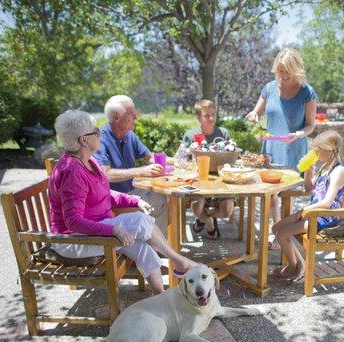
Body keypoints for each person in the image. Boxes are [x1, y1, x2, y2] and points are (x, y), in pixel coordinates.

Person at [48, 110, 196, 294]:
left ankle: (161, 297)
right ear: (83, 140)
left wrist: (134, 200)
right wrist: (114, 230)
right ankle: (179, 261)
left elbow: (103, 194)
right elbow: (73, 222)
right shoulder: (72, 171)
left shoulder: (88, 162)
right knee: (139, 220)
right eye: (95, 132)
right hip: (73, 241)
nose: (99, 134)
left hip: (93, 231)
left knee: (144, 249)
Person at [245, 48, 317, 250]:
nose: (284, 76)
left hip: (293, 149)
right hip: (270, 149)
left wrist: (299, 134)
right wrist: (253, 115)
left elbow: (311, 125)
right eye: (280, 71)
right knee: (270, 194)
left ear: (297, 70)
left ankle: (280, 235)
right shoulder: (269, 88)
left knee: (285, 195)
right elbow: (256, 111)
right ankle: (275, 231)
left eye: (288, 72)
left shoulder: (306, 92)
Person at [271, 130, 344, 283]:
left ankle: (294, 266)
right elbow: (308, 188)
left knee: (283, 233)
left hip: (325, 217)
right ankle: (300, 264)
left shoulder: (338, 171)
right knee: (276, 228)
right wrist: (308, 172)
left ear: (330, 150)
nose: (315, 154)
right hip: (313, 213)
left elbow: (327, 203)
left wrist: (304, 211)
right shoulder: (324, 167)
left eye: (318, 151)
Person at [93, 95, 168, 229]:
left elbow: (149, 157)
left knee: (162, 195)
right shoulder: (99, 140)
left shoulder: (129, 135)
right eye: (132, 115)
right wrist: (141, 170)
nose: (136, 118)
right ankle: (157, 244)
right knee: (160, 199)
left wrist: (180, 160)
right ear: (117, 117)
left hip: (131, 194)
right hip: (111, 201)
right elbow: (106, 174)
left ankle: (156, 243)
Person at [178, 99, 235, 239]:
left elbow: (233, 157)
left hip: (222, 180)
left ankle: (201, 219)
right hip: (199, 179)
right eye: (206, 115)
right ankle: (208, 222)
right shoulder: (191, 135)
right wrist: (187, 152)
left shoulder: (223, 133)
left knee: (227, 211)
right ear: (198, 118)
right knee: (197, 207)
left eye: (213, 115)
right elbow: (179, 158)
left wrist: (232, 148)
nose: (211, 118)